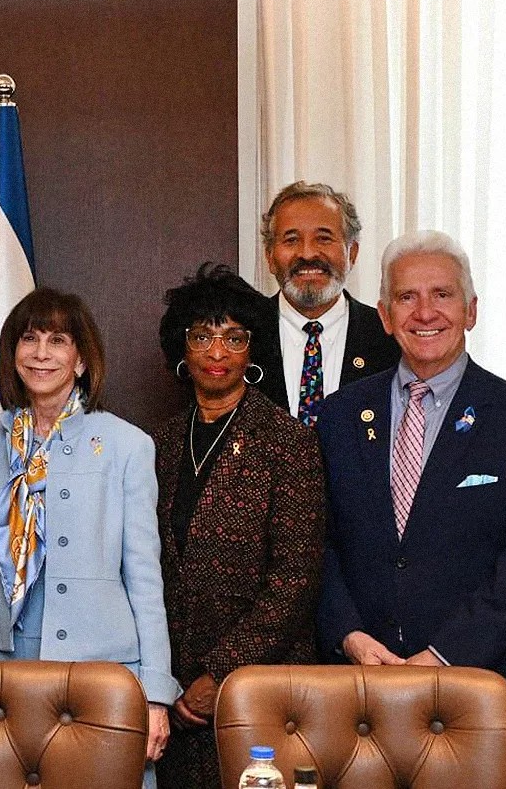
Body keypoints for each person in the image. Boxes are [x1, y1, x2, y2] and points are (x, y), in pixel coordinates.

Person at [0, 287, 179, 789]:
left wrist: (154, 695)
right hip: (0, 663)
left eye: (57, 340)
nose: (41, 353)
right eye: (29, 339)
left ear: (81, 359)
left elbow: (145, 578)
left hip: (99, 670)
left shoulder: (127, 446)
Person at [316, 232, 506, 726]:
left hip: (481, 693)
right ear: (385, 316)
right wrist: (351, 636)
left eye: (442, 295)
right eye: (407, 297)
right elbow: (315, 545)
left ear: (471, 310)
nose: (425, 313)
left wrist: (441, 656)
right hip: (358, 688)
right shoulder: (339, 416)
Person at [153, 265, 325, 789]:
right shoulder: (157, 445)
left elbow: (295, 582)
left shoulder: (286, 442)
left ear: (252, 350)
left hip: (258, 690)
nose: (217, 352)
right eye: (202, 336)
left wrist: (219, 674)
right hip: (172, 693)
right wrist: (167, 681)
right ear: (182, 349)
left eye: (234, 337)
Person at [254, 181, 400, 426]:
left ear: (351, 253)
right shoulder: (241, 337)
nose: (308, 254)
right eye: (291, 240)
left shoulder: (390, 337)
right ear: (270, 257)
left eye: (323, 239)